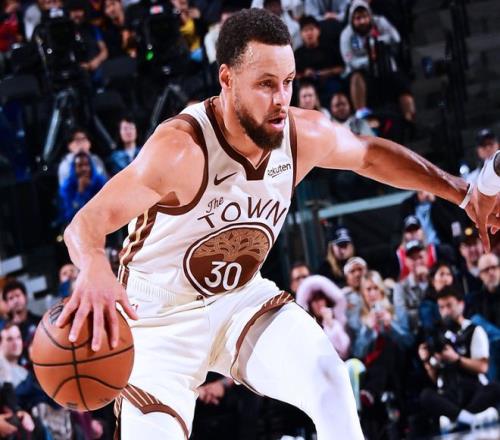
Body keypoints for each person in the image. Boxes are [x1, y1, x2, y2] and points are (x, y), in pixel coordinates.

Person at [56, 8, 498, 440]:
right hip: (157, 316)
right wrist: (94, 267)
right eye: (266, 84)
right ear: (227, 79)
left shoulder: (301, 135)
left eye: (288, 82)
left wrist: (462, 193)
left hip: (240, 300)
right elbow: (85, 223)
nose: (281, 99)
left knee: (330, 379)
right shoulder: (181, 148)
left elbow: (368, 155)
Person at [418, 287, 500, 433]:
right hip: (449, 393)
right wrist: (426, 361)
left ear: (461, 304)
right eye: (441, 307)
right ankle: (470, 420)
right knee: (425, 396)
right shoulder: (437, 336)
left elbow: (483, 367)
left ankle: (458, 419)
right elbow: (435, 378)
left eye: (449, 305)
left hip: (473, 390)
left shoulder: (474, 330)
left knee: (494, 387)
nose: (445, 311)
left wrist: (457, 359)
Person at [296, 275, 350, 359]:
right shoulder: (309, 327)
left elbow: (344, 349)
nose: (317, 303)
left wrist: (330, 324)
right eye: (313, 300)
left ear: (326, 300)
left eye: (320, 298)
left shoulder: (336, 321)